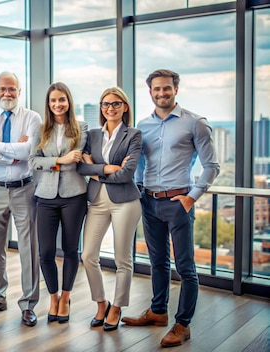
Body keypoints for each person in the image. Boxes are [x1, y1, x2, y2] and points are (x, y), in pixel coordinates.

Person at [123, 69, 220, 348]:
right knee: (158, 262)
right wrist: (140, 191)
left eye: (167, 88)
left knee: (186, 267)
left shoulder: (195, 123)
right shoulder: (143, 125)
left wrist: (192, 197)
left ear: (176, 89)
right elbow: (141, 163)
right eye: (157, 89)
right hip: (149, 201)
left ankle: (183, 324)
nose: (162, 93)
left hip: (179, 202)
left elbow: (211, 166)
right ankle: (158, 311)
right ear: (150, 91)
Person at [0, 71, 41, 327]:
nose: (7, 93)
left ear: (19, 91)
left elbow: (29, 150)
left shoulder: (32, 117)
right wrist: (12, 154)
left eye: (12, 89)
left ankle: (28, 304)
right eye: (3, 89)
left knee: (28, 249)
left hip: (25, 189)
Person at [76, 87, 142, 331]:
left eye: (116, 104)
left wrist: (96, 170)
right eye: (105, 104)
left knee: (122, 258)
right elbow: (81, 169)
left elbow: (127, 174)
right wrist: (106, 169)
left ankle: (117, 307)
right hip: (96, 202)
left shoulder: (134, 134)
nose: (110, 108)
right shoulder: (92, 135)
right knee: (88, 255)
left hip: (125, 203)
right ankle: (101, 302)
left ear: (124, 107)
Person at [28, 82, 87, 324]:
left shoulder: (82, 128)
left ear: (69, 102)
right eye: (53, 101)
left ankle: (65, 297)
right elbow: (32, 161)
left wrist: (53, 161)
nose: (57, 104)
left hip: (74, 195)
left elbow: (77, 162)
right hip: (46, 196)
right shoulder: (41, 130)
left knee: (71, 249)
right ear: (48, 104)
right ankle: (52, 296)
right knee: (46, 252)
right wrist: (60, 159)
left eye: (62, 100)